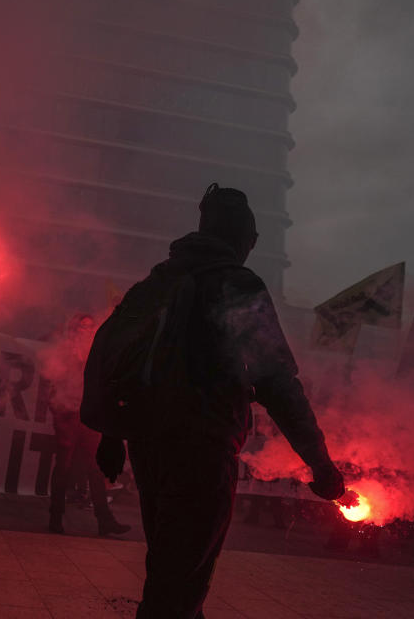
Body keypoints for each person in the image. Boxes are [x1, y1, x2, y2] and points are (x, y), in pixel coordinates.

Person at [95, 183, 345, 618]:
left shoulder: (159, 281)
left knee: (173, 568)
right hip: (202, 452)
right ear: (241, 235)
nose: (252, 245)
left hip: (149, 449)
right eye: (251, 237)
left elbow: (117, 359)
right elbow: (277, 381)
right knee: (176, 587)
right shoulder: (236, 286)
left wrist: (112, 435)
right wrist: (320, 463)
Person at [42, 313, 131, 536]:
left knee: (96, 468)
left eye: (91, 327)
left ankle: (104, 520)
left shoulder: (96, 354)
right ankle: (55, 518)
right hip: (68, 416)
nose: (88, 331)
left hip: (88, 417)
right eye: (83, 327)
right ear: (74, 330)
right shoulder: (65, 353)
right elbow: (52, 382)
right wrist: (59, 410)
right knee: (63, 467)